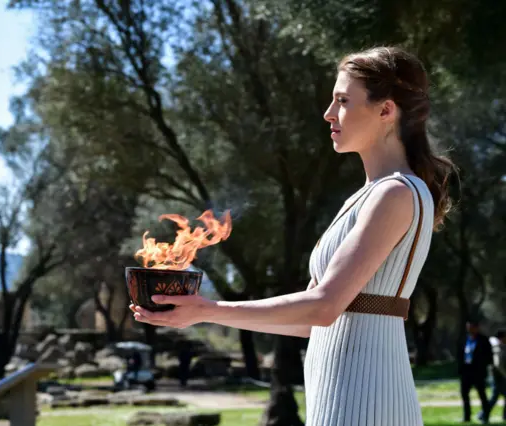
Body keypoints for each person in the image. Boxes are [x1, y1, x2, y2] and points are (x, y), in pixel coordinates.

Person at [130, 46, 456, 426]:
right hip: (341, 388)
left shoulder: (396, 192)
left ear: (386, 111)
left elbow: (322, 306)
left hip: (366, 392)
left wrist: (209, 309)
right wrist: (202, 315)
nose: (328, 114)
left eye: (343, 101)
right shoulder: (370, 195)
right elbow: (309, 321)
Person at [479, 329, 506, 422]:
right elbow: (498, 364)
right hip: (497, 377)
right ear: (502, 337)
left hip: (499, 376)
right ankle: (483, 415)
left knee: (495, 397)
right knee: (494, 397)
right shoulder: (497, 347)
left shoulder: (501, 346)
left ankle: (484, 414)